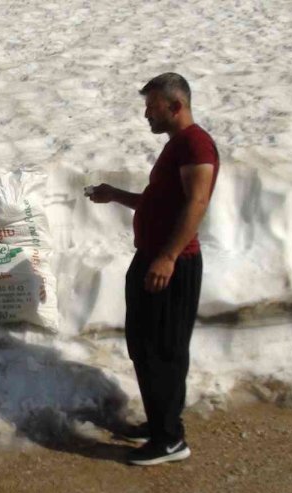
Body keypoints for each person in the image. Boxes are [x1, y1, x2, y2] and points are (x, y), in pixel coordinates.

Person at [88, 73, 219, 466]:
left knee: (163, 350)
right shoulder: (178, 145)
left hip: (171, 264)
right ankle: (161, 423)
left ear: (175, 106)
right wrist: (115, 195)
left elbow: (197, 202)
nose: (147, 114)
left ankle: (170, 440)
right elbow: (158, 201)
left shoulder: (196, 144)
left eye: (152, 107)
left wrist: (168, 256)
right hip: (153, 259)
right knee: (146, 346)